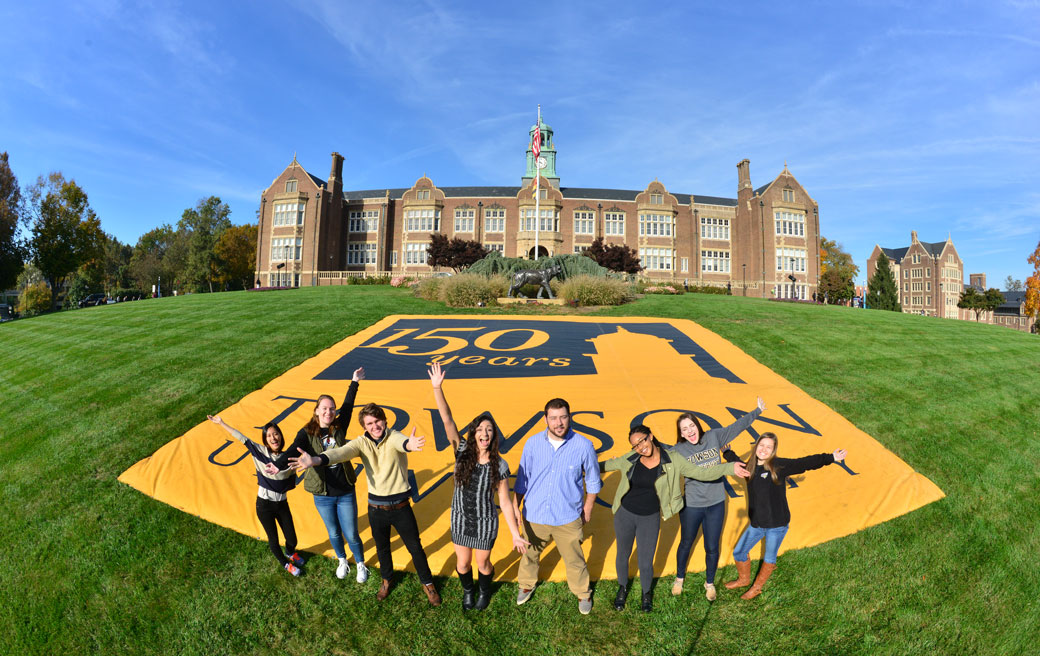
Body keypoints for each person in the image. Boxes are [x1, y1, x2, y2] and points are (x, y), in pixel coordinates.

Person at [289, 401, 440, 606]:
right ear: (364, 427)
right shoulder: (361, 443)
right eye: (369, 423)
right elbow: (339, 453)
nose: (374, 426)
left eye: (377, 421)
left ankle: (428, 583)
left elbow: (403, 443)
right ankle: (387, 580)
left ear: (385, 421)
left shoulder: (393, 436)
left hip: (401, 507)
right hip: (376, 509)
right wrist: (315, 461)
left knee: (415, 547)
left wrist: (410, 445)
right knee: (382, 548)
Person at [601, 425, 749, 611]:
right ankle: (622, 589)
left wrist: (729, 467)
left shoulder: (673, 460)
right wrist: (578, 467)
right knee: (622, 555)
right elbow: (605, 466)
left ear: (651, 437)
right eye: (635, 445)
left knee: (645, 560)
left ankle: (646, 593)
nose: (640, 447)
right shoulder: (631, 459)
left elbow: (701, 473)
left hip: (650, 516)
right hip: (625, 513)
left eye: (642, 441)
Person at [428, 362, 530, 610]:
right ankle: (468, 591)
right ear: (473, 433)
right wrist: (437, 389)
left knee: (482, 564)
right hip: (461, 518)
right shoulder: (461, 451)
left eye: (490, 430)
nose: (485, 433)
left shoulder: (500, 465)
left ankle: (484, 590)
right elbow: (447, 420)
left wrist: (516, 533)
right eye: (481, 429)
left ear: (493, 437)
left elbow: (505, 502)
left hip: (485, 521)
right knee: (463, 564)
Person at [269, 367, 368, 583]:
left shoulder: (339, 425)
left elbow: (349, 405)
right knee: (333, 532)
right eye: (324, 408)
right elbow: (293, 448)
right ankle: (342, 560)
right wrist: (278, 465)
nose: (329, 412)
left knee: (351, 533)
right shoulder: (306, 432)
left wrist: (354, 381)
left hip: (345, 490)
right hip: (322, 494)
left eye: (332, 409)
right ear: (316, 410)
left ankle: (360, 563)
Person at [724, 431, 848, 600]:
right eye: (762, 445)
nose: (764, 450)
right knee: (739, 552)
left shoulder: (778, 466)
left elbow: (804, 463)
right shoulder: (750, 467)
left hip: (777, 525)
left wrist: (831, 457)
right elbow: (736, 462)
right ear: (756, 446)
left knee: (769, 558)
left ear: (774, 450)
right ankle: (744, 580)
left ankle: (757, 588)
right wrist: (726, 452)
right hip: (757, 524)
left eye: (769, 447)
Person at [668, 397, 766, 601]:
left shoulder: (714, 437)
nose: (689, 431)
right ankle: (679, 578)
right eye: (684, 429)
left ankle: (709, 583)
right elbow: (656, 456)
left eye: (691, 426)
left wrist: (756, 411)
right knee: (686, 542)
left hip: (715, 504)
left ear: (697, 425)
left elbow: (736, 427)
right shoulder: (678, 450)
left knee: (712, 546)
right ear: (681, 433)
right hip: (692, 505)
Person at [513, 398, 602, 614]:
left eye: (563, 417)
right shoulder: (532, 443)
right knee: (530, 554)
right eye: (553, 418)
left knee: (574, 558)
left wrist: (588, 508)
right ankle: (526, 584)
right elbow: (522, 480)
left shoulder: (583, 445)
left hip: (567, 516)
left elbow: (593, 480)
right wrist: (516, 509)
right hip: (535, 514)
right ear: (545, 420)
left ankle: (582, 593)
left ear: (569, 417)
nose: (558, 423)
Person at [207, 414, 304, 577]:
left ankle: (289, 552)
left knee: (292, 539)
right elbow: (241, 437)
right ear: (265, 440)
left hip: (282, 504)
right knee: (273, 540)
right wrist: (222, 423)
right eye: (269, 436)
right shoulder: (259, 451)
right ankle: (285, 563)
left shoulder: (288, 457)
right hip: (264, 505)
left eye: (276, 434)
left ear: (281, 436)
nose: (273, 438)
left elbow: (301, 465)